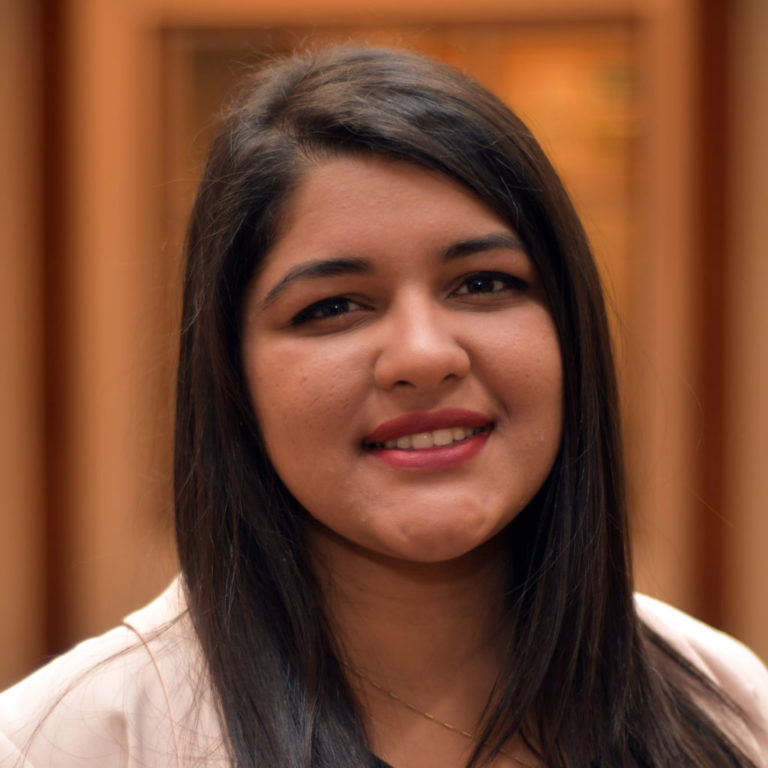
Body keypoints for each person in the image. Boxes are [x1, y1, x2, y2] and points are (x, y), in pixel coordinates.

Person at [1, 45, 767, 768]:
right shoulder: (66, 742)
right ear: (233, 378)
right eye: (333, 306)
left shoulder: (728, 704)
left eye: (483, 283)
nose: (424, 357)